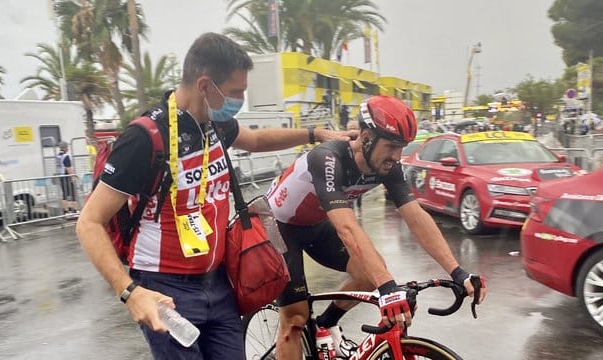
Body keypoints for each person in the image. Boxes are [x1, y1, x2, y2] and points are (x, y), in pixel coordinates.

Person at [75, 32, 355, 360]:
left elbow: (256, 139)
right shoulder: (145, 138)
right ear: (205, 86)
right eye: (236, 93)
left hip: (219, 282)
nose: (239, 101)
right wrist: (130, 293)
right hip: (166, 290)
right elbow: (89, 223)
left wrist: (315, 134)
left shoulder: (214, 126)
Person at [266, 96, 487, 359]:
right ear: (367, 137)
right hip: (279, 228)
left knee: (372, 272)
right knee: (295, 318)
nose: (397, 156)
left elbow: (416, 216)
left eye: (401, 147)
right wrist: (388, 289)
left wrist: (458, 272)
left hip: (315, 223)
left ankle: (325, 323)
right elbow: (347, 227)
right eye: (392, 146)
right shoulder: (327, 159)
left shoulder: (387, 166)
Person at [346, 119, 362, 216]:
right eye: (350, 129)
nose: (352, 131)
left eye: (354, 128)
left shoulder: (362, 141)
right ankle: (350, 213)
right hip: (347, 172)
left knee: (358, 193)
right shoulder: (343, 141)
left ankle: (359, 208)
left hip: (359, 172)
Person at [55, 140, 77, 214]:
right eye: (67, 146)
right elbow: (68, 168)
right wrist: (72, 177)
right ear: (64, 148)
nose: (68, 148)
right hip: (67, 177)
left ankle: (66, 211)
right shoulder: (66, 156)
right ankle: (74, 210)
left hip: (61, 177)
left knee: (64, 194)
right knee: (73, 193)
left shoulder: (58, 156)